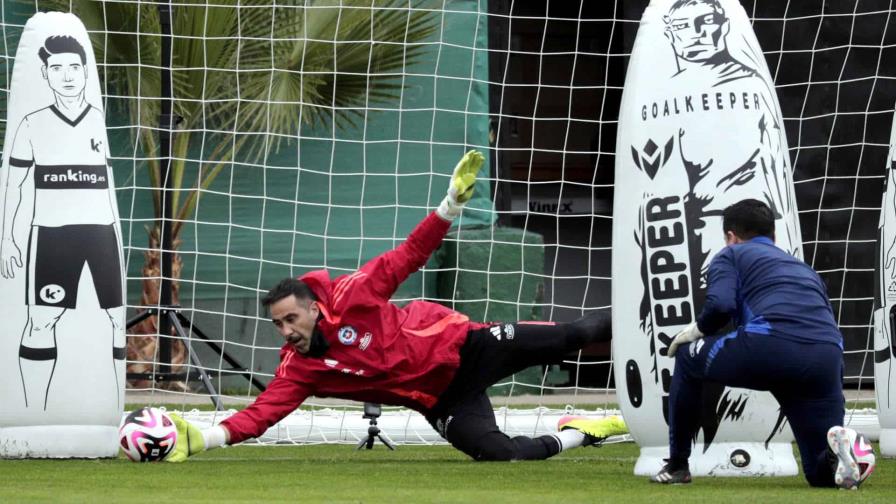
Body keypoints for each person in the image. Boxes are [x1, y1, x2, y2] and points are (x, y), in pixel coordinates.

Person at [166, 150, 627, 462]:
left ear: (314, 309)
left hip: (467, 347)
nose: (285, 330)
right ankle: (582, 431)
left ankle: (652, 315)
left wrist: (448, 206)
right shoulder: (299, 369)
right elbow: (260, 414)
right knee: (499, 455)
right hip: (441, 398)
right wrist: (205, 438)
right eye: (277, 324)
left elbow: (407, 256)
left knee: (576, 336)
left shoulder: (354, 294)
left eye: (291, 318)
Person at [652, 199, 876, 488]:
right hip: (826, 357)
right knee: (821, 474)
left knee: (686, 356)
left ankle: (678, 466)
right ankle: (845, 451)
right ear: (774, 236)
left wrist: (696, 331)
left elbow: (720, 305)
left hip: (770, 344)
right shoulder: (804, 269)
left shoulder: (731, 255)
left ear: (731, 237)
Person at [0, 35, 124, 410]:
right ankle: (33, 414)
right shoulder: (31, 124)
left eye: (74, 67)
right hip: (53, 237)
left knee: (117, 322)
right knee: (40, 321)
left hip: (102, 233)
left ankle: (112, 415)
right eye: (57, 68)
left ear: (86, 72)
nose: (67, 75)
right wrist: (7, 238)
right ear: (45, 74)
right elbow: (14, 184)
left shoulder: (100, 122)